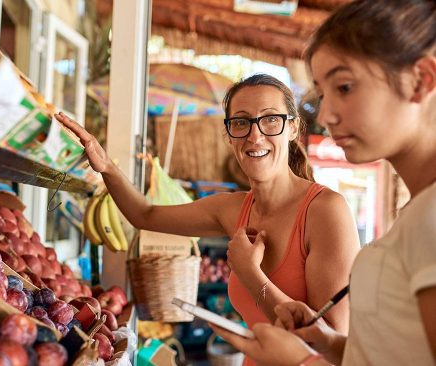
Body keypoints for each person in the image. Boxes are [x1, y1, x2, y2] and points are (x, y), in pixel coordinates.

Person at [56, 73, 359, 365]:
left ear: (292, 128)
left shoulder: (325, 211)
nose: (255, 135)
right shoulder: (231, 210)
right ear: (229, 134)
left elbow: (328, 347)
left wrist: (250, 274)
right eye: (241, 122)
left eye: (270, 120)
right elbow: (144, 215)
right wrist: (106, 166)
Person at [209, 1, 436, 365]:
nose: (327, 115)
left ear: (421, 80)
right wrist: (332, 346)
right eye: (323, 93)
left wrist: (303, 362)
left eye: (345, 87)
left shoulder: (430, 218)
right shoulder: (417, 211)